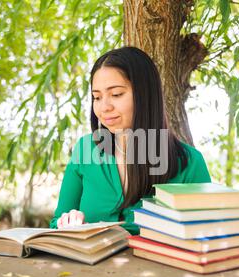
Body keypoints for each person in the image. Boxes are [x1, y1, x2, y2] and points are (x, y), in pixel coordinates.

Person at [49, 46, 211, 235]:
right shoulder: (85, 150)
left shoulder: (189, 163)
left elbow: (205, 233)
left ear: (145, 94)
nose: (104, 107)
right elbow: (55, 224)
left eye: (116, 94)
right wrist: (67, 221)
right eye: (97, 97)